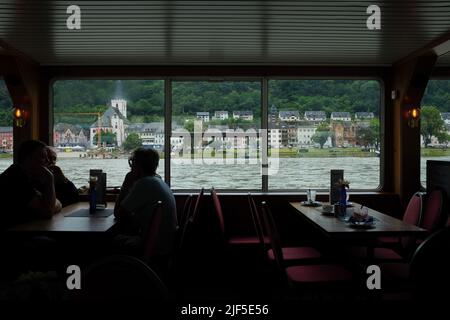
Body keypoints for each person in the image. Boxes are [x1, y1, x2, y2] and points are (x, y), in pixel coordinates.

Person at [114, 148, 178, 272]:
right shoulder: (157, 180)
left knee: (111, 241)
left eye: (132, 164)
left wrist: (126, 183)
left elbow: (118, 213)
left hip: (155, 246)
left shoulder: (144, 184)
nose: (131, 168)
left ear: (137, 166)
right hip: (166, 243)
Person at [0, 140, 62, 230]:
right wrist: (50, 178)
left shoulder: (25, 176)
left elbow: (49, 205)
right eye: (43, 157)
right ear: (29, 159)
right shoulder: (15, 179)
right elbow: (48, 211)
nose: (48, 161)